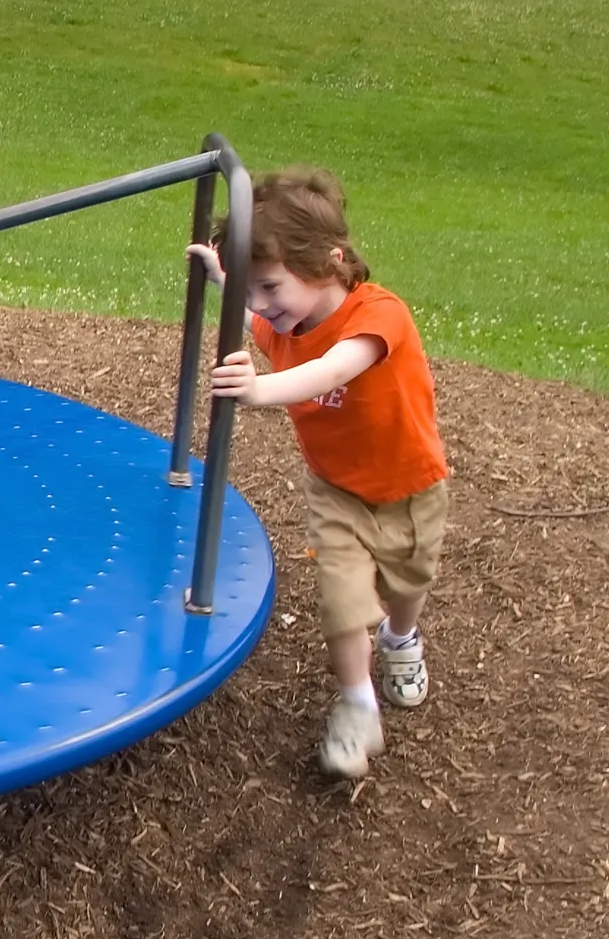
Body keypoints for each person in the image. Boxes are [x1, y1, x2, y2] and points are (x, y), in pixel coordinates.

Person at [186, 165, 449, 779]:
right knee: (341, 596)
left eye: (270, 287)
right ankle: (358, 707)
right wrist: (227, 277)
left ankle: (400, 638)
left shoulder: (379, 316)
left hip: (410, 484)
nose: (260, 306)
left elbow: (333, 370)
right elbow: (262, 316)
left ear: (330, 261)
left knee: (409, 581)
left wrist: (260, 388)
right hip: (336, 490)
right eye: (252, 291)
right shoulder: (283, 320)